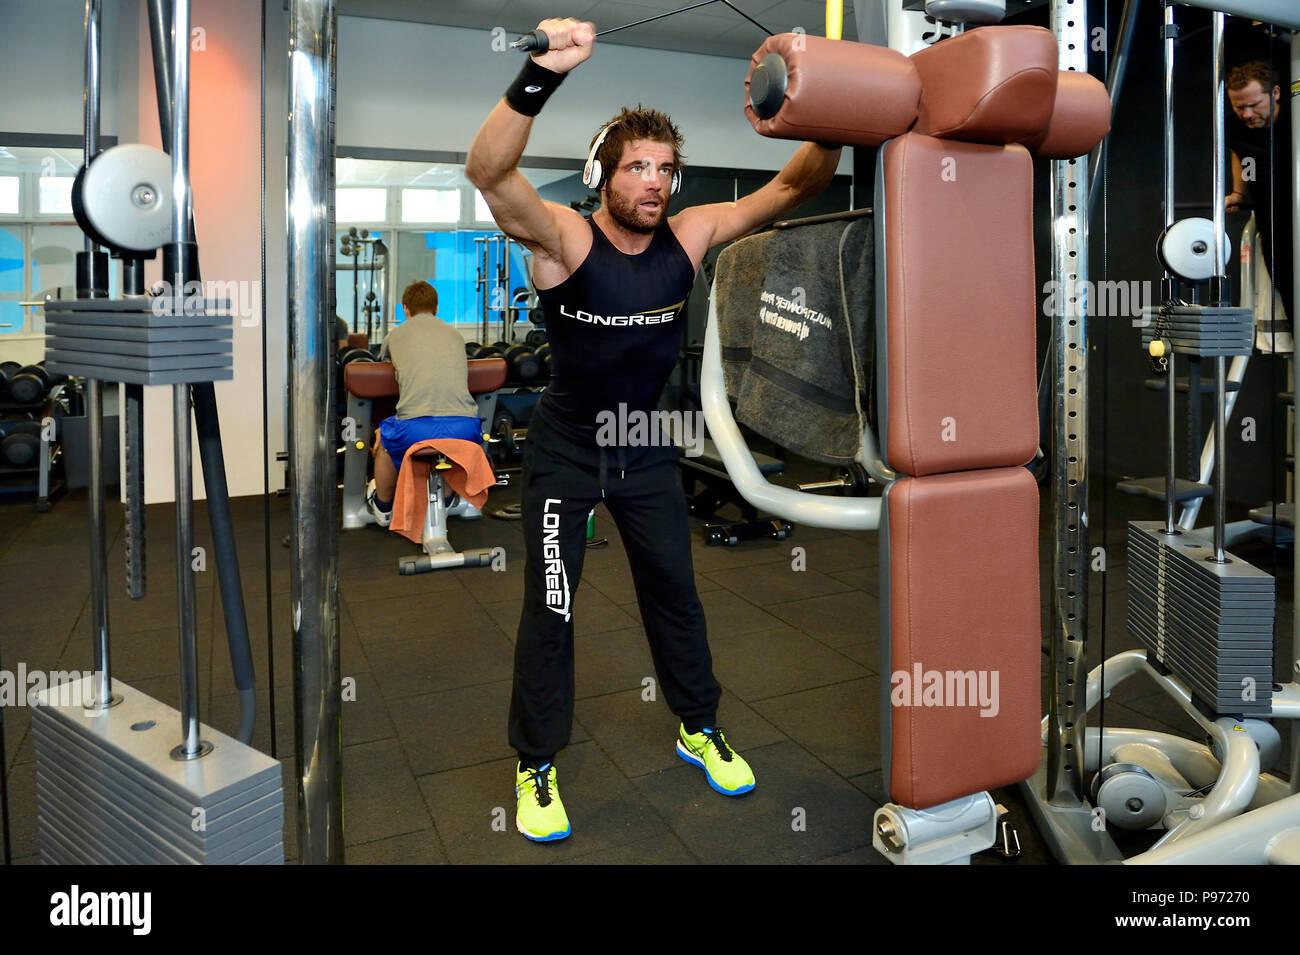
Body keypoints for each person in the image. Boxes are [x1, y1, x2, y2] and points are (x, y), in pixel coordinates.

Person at [466, 17, 843, 842]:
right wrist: (542, 73)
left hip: (644, 452)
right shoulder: (564, 241)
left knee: (676, 595)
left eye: (666, 169)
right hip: (567, 456)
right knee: (552, 608)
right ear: (604, 173)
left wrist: (828, 105)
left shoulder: (690, 235)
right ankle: (535, 763)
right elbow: (488, 171)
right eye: (637, 168)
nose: (655, 183)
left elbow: (793, 188)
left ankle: (696, 725)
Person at [365, 280, 483, 526]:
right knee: (448, 445)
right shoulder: (455, 334)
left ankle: (384, 507)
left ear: (405, 309)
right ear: (436, 308)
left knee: (384, 438)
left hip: (415, 430)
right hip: (466, 428)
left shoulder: (395, 335)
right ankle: (449, 498)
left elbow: (384, 362)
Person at [1226, 60, 1293, 322]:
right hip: (1273, 226)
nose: (1247, 114)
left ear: (1275, 93)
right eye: (1240, 107)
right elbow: (1238, 153)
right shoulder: (1235, 127)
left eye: (1255, 105)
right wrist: (1238, 194)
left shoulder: (1294, 119)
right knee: (1290, 294)